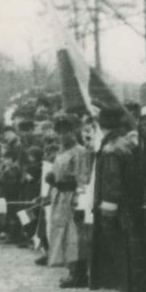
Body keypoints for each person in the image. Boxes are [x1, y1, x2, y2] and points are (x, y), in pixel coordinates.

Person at [91, 105, 146, 292]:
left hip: (120, 215)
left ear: (100, 125)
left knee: (125, 259)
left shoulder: (111, 150)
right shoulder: (130, 144)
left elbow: (112, 186)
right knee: (132, 257)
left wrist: (106, 218)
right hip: (134, 209)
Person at [44, 115, 89, 282]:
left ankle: (79, 273)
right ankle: (70, 269)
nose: (62, 136)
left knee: (74, 235)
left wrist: (79, 200)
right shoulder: (61, 152)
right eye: (59, 132)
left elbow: (82, 178)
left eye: (66, 131)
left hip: (72, 197)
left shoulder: (80, 152)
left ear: (73, 132)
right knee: (60, 232)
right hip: (59, 197)